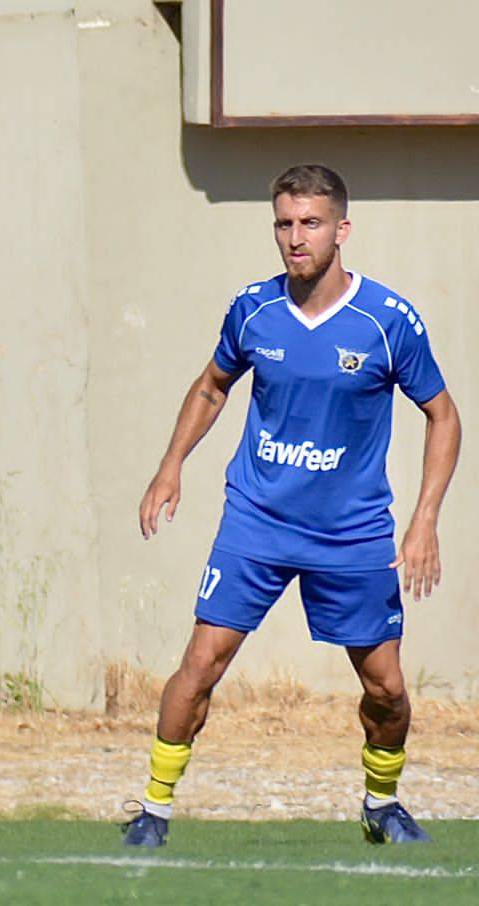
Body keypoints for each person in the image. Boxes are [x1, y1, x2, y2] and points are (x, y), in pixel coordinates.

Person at [122, 164, 461, 848]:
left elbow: (444, 415)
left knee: (387, 689)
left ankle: (381, 803)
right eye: (284, 223)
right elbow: (212, 385)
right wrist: (171, 465)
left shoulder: (386, 321)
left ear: (342, 230)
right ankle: (153, 809)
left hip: (352, 532)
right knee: (201, 664)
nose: (296, 237)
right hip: (258, 520)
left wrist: (425, 520)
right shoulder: (254, 309)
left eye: (310, 223)